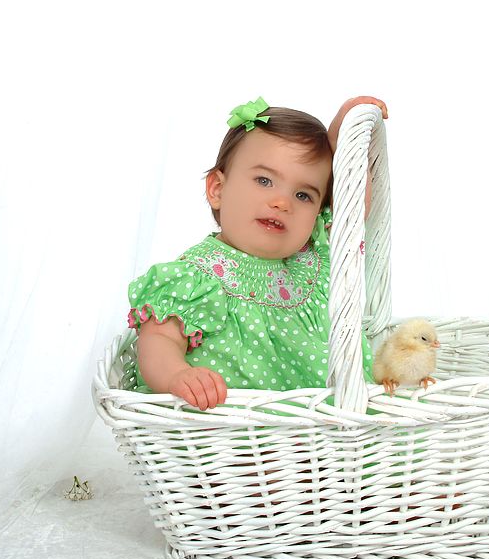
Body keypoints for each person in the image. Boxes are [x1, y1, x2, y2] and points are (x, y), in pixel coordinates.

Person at [127, 96, 388, 410]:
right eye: (264, 180)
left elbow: (353, 205)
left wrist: (342, 140)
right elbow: (159, 340)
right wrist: (178, 375)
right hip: (231, 428)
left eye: (303, 194)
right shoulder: (197, 276)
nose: (282, 202)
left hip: (321, 427)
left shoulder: (312, 255)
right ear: (218, 190)